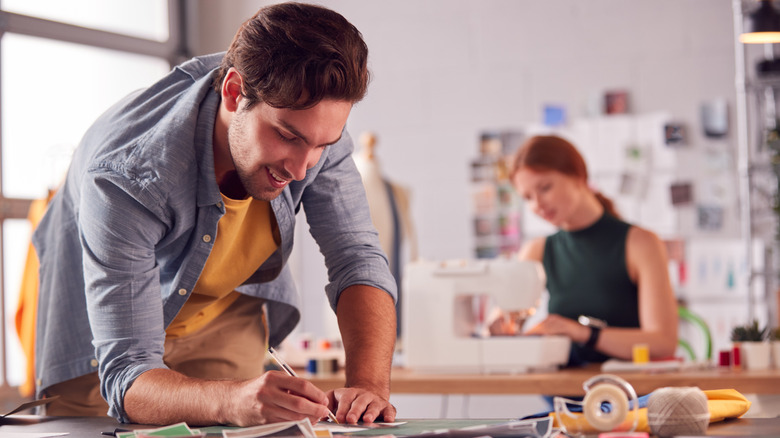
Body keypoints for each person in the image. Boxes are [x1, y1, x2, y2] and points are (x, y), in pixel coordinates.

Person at [32, 2, 397, 427]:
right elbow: (127, 372)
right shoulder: (128, 176)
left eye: (321, 145)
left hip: (224, 316)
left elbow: (357, 257)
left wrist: (369, 386)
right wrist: (229, 400)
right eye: (286, 136)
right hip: (103, 338)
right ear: (233, 92)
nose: (301, 169)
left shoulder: (312, 128)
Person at [493, 135, 678, 366]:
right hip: (563, 392)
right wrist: (497, 323)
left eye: (545, 188)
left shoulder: (641, 244)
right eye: (528, 197)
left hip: (628, 394)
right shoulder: (537, 251)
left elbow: (663, 342)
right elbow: (506, 320)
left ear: (579, 176)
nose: (537, 205)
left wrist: (582, 333)